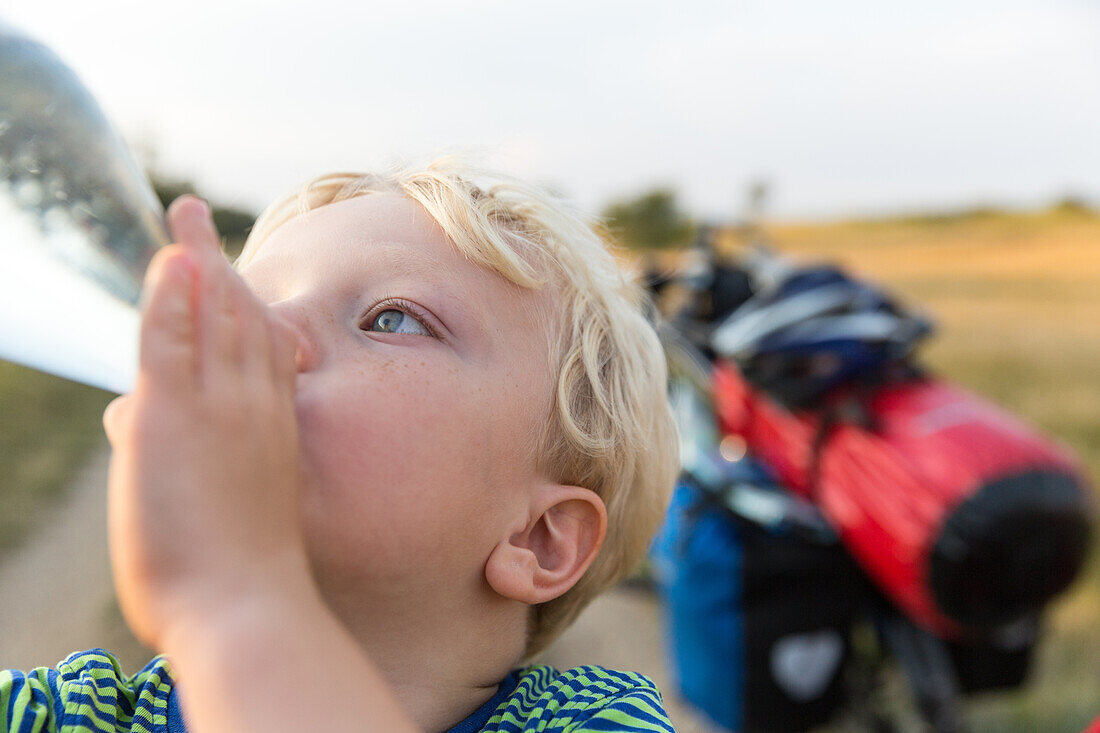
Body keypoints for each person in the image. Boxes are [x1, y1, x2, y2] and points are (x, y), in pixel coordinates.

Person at [0, 160, 679, 732]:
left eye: (392, 317)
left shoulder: (599, 719)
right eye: (245, 300)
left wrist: (234, 602)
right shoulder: (68, 713)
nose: (260, 331)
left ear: (538, 539)